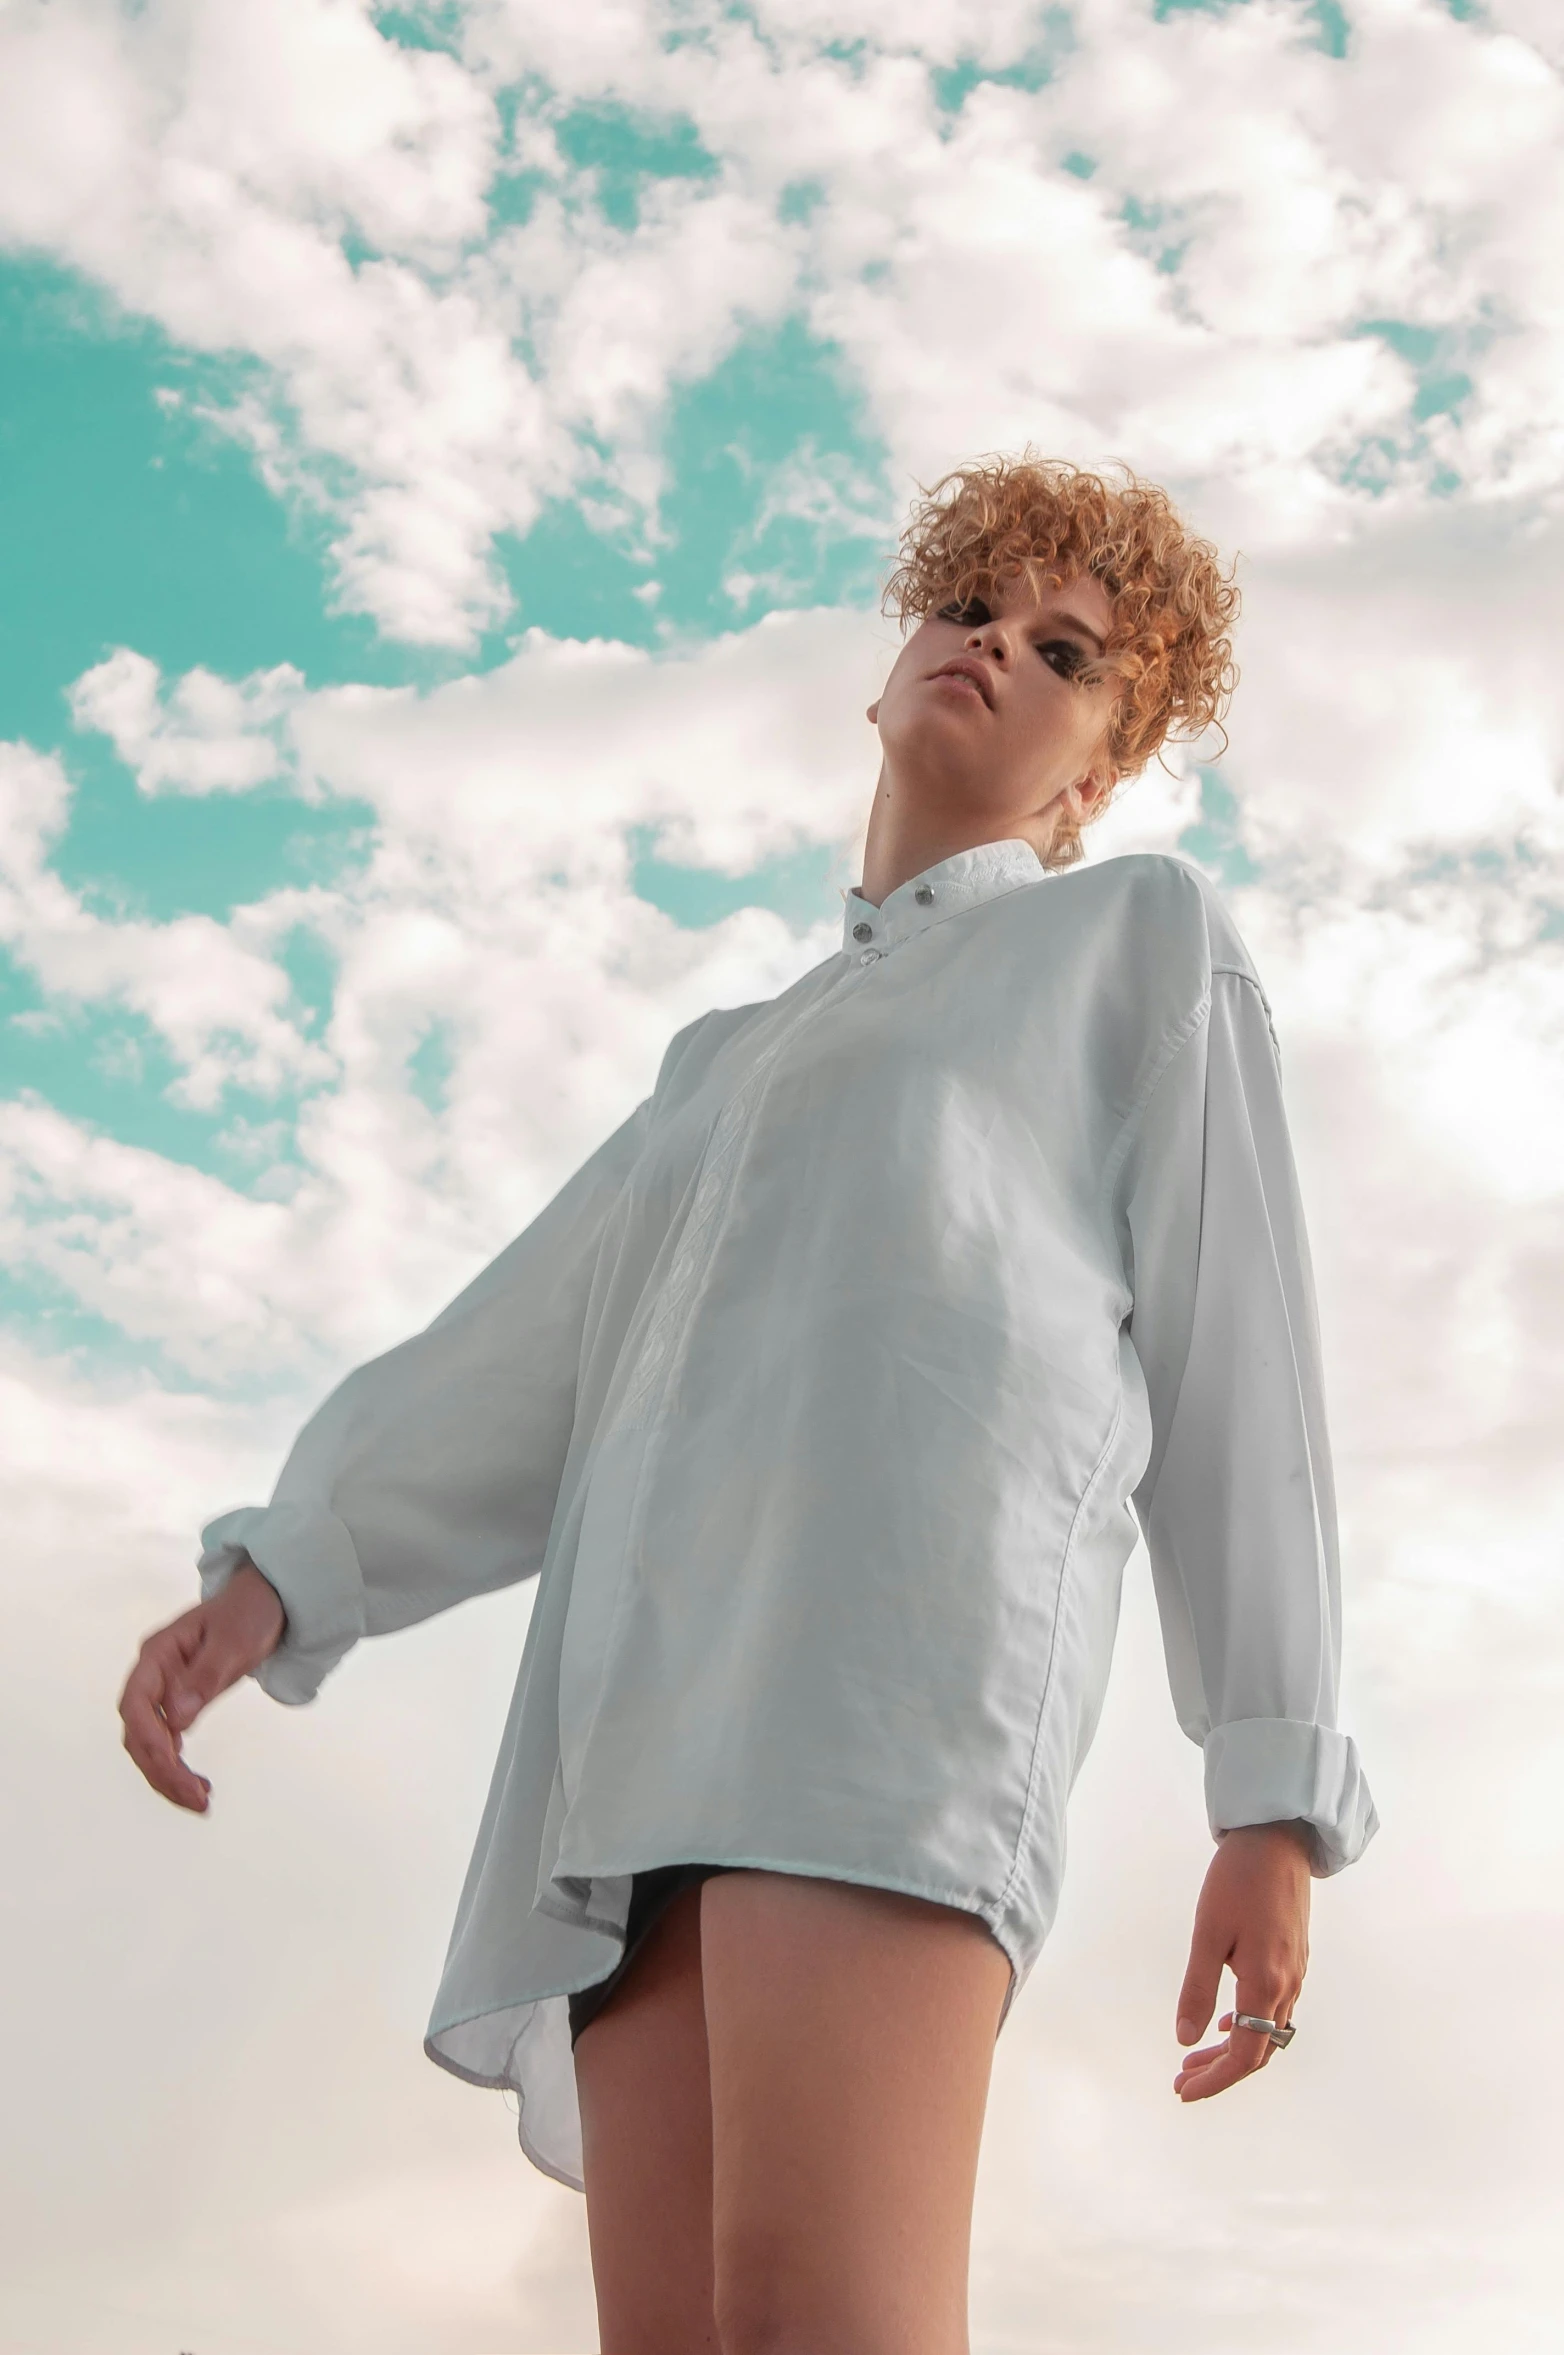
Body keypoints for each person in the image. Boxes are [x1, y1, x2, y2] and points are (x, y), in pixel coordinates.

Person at [119, 454, 1377, 2355]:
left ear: (1097, 769)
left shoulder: (1131, 946)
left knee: (823, 2321)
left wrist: (1270, 1794)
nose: (992, 649)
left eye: (1064, 650)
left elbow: (1241, 1364)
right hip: (632, 1737)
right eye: (967, 608)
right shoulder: (723, 1064)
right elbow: (522, 1352)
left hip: (882, 1695)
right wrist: (281, 1576)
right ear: (885, 668)